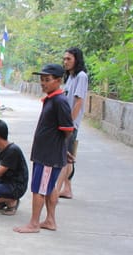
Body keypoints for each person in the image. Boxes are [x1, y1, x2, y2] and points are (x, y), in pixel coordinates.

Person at [14, 64, 74, 233]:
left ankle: (34, 223)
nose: (43, 83)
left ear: (58, 81)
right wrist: (63, 150)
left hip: (48, 155)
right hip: (46, 153)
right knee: (48, 188)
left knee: (39, 188)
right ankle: (50, 220)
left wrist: (60, 148)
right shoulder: (51, 99)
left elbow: (68, 129)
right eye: (42, 79)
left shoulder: (60, 101)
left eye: (47, 80)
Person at [57, 47, 88, 199]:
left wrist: (69, 124)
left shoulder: (81, 76)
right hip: (65, 122)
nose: (66, 62)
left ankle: (59, 189)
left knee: (65, 157)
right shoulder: (70, 77)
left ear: (77, 59)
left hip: (70, 124)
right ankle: (67, 188)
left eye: (69, 59)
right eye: (64, 59)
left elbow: (78, 101)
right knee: (66, 155)